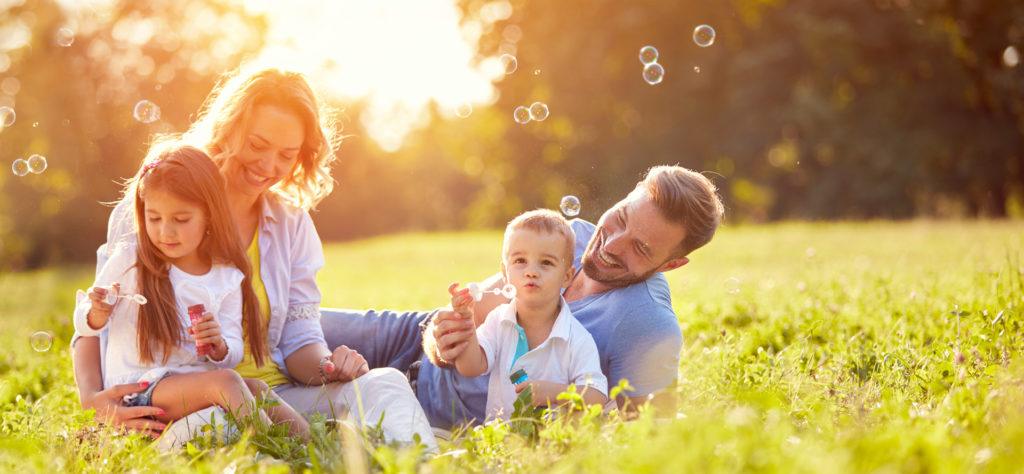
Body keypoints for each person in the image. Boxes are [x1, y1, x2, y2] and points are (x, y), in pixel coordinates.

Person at [71, 65, 436, 450]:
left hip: (272, 399)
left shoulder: (290, 224)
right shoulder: (155, 207)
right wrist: (93, 401)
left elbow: (299, 341)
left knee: (385, 384)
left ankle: (420, 463)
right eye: (258, 145)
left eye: (286, 154)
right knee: (217, 429)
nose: (268, 165)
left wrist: (330, 368)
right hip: (176, 401)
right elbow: (93, 325)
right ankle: (298, 452)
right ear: (228, 128)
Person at [320, 165, 725, 428]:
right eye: (619, 218)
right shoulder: (576, 235)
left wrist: (560, 401)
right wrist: (442, 338)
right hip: (411, 337)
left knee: (297, 385)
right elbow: (477, 306)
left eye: (640, 248)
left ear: (671, 265)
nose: (611, 244)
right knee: (289, 326)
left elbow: (646, 437)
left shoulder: (648, 324)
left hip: (432, 411)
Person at [74, 145, 308, 436]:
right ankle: (272, 445)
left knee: (257, 387)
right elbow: (84, 326)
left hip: (189, 386)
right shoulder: (131, 259)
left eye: (181, 220)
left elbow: (233, 347)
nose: (165, 232)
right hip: (139, 390)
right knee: (226, 383)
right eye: (154, 218)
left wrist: (220, 345)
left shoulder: (226, 277)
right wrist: (96, 313)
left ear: (209, 216)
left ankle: (314, 444)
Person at [448, 209, 607, 420]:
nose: (531, 271)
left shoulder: (575, 338)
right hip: (501, 441)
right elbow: (470, 367)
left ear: (567, 277)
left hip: (553, 444)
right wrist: (467, 324)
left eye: (546, 263)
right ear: (505, 273)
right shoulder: (498, 320)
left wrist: (555, 393)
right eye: (520, 261)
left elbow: (597, 396)